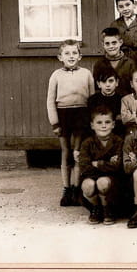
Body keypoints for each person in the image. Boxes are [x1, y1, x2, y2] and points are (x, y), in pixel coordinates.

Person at [46, 39, 95, 207]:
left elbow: (92, 98)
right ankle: (66, 189)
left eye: (74, 53)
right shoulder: (56, 75)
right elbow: (50, 101)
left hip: (82, 115)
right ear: (60, 57)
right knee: (66, 152)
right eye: (67, 53)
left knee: (78, 152)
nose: (71, 56)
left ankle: (76, 188)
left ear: (80, 56)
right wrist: (55, 123)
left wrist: (91, 120)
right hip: (63, 115)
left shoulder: (86, 74)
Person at [78, 106, 124, 225]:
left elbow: (118, 166)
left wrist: (98, 163)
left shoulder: (118, 141)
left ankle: (106, 209)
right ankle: (95, 208)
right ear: (92, 125)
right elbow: (84, 167)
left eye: (107, 122)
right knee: (88, 185)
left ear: (113, 124)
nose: (104, 126)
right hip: (91, 177)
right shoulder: (87, 143)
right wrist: (108, 164)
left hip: (112, 180)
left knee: (102, 182)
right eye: (99, 122)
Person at [91, 27, 136, 97]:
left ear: (120, 42)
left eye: (114, 43)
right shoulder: (99, 64)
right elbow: (96, 87)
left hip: (125, 101)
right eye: (107, 44)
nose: (111, 46)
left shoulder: (130, 63)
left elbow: (134, 87)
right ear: (103, 44)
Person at [87, 67, 124, 137]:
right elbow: (90, 122)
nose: (107, 85)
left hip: (117, 135)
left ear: (117, 82)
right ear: (98, 84)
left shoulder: (122, 100)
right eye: (104, 82)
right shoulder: (93, 100)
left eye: (111, 81)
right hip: (96, 135)